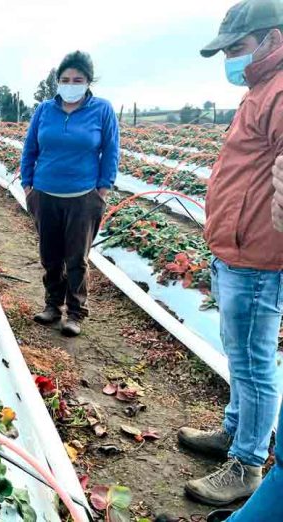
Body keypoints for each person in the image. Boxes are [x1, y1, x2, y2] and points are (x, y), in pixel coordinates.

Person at [177, 0, 283, 508]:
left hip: (260, 258)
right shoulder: (260, 90)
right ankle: (234, 431)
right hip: (237, 251)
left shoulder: (281, 91)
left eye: (238, 49)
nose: (231, 61)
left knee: (255, 362)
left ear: (274, 40)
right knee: (240, 357)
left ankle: (246, 462)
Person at [20, 51, 120, 337]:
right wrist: (28, 185)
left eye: (78, 79)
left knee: (76, 258)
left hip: (83, 197)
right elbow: (30, 149)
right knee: (50, 255)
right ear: (57, 82)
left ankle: (75, 312)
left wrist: (102, 189)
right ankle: (52, 305)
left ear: (88, 81)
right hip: (45, 194)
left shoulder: (102, 110)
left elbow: (111, 152)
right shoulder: (44, 110)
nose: (71, 84)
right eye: (65, 79)